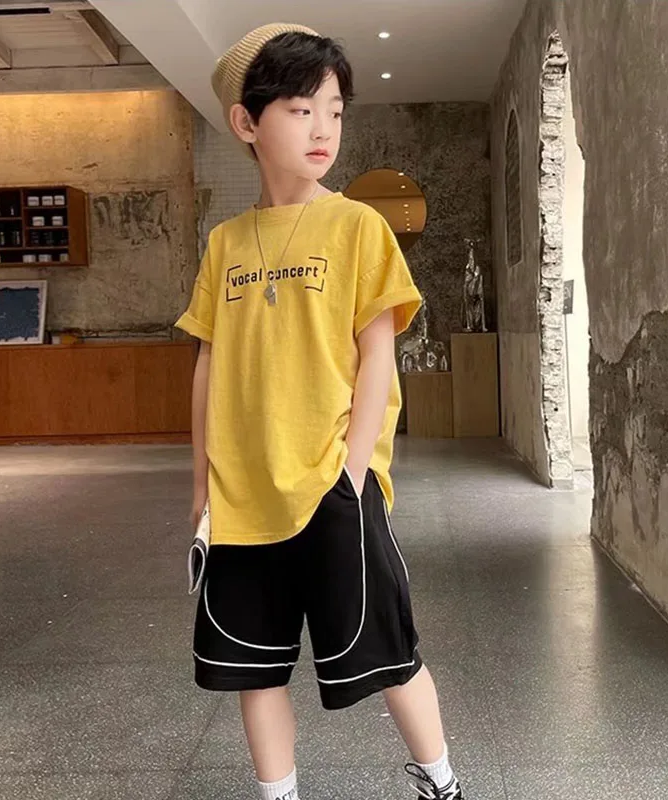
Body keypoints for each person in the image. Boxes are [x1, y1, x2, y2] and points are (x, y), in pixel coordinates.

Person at [175, 23, 464, 800]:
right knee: (253, 666)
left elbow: (378, 354)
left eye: (334, 111)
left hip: (334, 484)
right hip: (242, 495)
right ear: (247, 122)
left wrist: (353, 472)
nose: (323, 129)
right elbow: (208, 365)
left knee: (390, 651)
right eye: (301, 110)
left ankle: (442, 785)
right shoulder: (225, 244)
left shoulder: (358, 225)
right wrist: (201, 488)